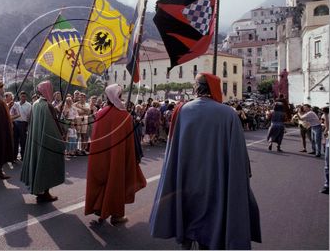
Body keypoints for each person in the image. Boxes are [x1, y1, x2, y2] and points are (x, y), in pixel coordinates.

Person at [149, 73, 261, 250]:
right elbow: (239, 154)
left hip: (186, 178)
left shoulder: (182, 110)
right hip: (216, 180)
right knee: (213, 219)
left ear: (197, 87)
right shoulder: (228, 114)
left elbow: (174, 149)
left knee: (188, 217)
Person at [85, 84, 147, 225]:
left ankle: (100, 208)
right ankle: (116, 215)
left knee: (104, 180)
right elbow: (130, 140)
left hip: (100, 156)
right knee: (116, 181)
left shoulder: (101, 112)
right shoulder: (123, 115)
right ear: (117, 96)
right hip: (117, 156)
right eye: (120, 94)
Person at [21, 80, 65, 203]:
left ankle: (40, 190)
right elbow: (54, 124)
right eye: (50, 88)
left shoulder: (35, 103)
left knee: (38, 163)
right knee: (46, 165)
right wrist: (61, 135)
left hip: (37, 139)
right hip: (46, 141)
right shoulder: (47, 105)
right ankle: (45, 192)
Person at [13, 91, 32, 162]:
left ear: (26, 97)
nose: (23, 97)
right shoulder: (15, 104)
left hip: (23, 124)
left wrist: (28, 126)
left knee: (23, 141)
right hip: (15, 123)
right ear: (20, 96)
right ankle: (14, 157)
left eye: (24, 96)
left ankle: (23, 156)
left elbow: (30, 116)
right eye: (22, 96)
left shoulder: (29, 105)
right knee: (15, 141)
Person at [321, 106, 329, 194]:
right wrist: (326, 114)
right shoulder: (327, 114)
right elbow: (328, 127)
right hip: (329, 142)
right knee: (327, 166)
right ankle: (327, 185)